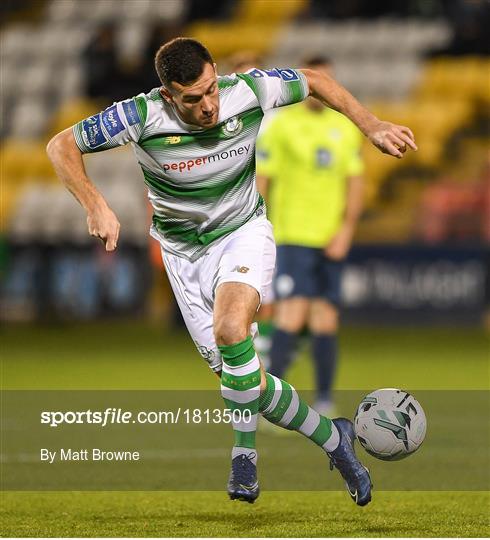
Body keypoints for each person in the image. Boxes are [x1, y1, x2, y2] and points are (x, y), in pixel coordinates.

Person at [47, 37, 417, 506]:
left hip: (243, 231)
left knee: (231, 328)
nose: (207, 106)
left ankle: (245, 456)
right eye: (192, 99)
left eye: (209, 90)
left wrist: (372, 125)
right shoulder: (139, 116)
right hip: (184, 255)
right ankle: (332, 437)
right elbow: (61, 145)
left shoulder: (248, 90)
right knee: (246, 382)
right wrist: (95, 204)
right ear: (167, 95)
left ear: (216, 73)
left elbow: (317, 82)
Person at [256, 55, 364, 415]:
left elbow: (355, 183)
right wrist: (258, 230)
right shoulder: (282, 126)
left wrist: (346, 230)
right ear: (304, 87)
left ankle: (324, 400)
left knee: (326, 317)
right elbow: (263, 181)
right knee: (292, 312)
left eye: (327, 83)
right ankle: (269, 402)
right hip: (292, 234)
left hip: (330, 237)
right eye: (315, 83)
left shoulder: (345, 127)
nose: (321, 91)